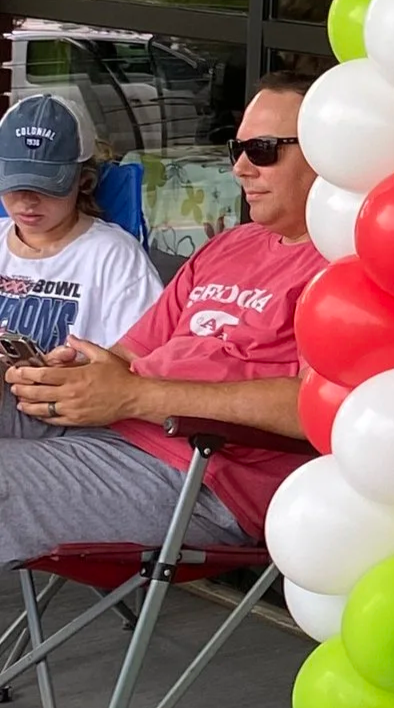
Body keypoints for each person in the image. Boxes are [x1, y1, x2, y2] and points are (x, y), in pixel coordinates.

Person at [0, 71, 322, 562]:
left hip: (199, 473)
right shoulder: (231, 245)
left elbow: (314, 408)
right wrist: (65, 375)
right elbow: (129, 355)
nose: (239, 168)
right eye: (236, 148)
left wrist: (137, 394)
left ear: (330, 152)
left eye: (263, 151)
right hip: (113, 430)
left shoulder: (345, 269)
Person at [0, 97, 162, 406]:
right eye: (13, 183)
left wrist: (78, 370)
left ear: (84, 181)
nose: (26, 201)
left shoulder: (113, 256)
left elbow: (145, 365)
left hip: (64, 409)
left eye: (46, 186)